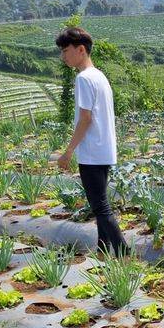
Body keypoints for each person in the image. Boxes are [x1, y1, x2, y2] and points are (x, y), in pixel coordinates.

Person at [56, 27, 130, 257]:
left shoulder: (84, 79)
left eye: (65, 50)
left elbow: (85, 118)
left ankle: (123, 252)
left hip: (92, 152)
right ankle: (102, 250)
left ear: (80, 50)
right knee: (100, 206)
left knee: (101, 207)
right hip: (104, 150)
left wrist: (68, 151)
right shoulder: (99, 76)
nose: (63, 56)